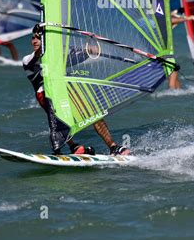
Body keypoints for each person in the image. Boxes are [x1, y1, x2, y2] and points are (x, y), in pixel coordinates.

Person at [23, 25, 130, 155]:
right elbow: (38, 55)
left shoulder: (57, 58)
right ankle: (69, 147)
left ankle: (113, 147)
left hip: (64, 90)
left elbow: (76, 57)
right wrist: (44, 40)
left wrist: (88, 51)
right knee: (61, 122)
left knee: (94, 114)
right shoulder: (27, 60)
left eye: (38, 38)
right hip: (45, 95)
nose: (34, 41)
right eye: (33, 38)